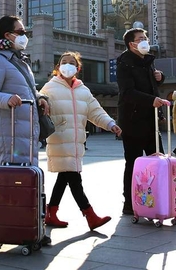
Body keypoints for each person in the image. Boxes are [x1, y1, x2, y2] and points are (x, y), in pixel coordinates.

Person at [0, 15, 51, 246]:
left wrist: (39, 97)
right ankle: (1, 225)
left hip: (25, 130)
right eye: (20, 32)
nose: (24, 35)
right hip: (8, 132)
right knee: (6, 181)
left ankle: (24, 226)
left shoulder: (19, 59)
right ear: (8, 35)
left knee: (23, 180)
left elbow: (28, 90)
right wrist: (8, 99)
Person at [40, 51, 122, 230]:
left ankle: (51, 212)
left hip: (77, 142)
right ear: (58, 67)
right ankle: (89, 214)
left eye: (71, 62)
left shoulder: (83, 90)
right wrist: (41, 100)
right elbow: (40, 99)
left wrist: (110, 124)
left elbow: (95, 111)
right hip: (60, 140)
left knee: (65, 177)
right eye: (63, 62)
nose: (67, 65)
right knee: (73, 178)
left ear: (77, 68)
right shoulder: (49, 87)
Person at [116, 27, 170, 215]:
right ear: (131, 44)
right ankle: (130, 202)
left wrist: (160, 78)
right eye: (141, 38)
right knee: (134, 161)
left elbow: (151, 87)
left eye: (145, 37)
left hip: (151, 119)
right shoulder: (124, 63)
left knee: (158, 159)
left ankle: (159, 196)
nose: (145, 40)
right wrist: (151, 101)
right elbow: (127, 92)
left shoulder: (148, 61)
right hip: (132, 120)